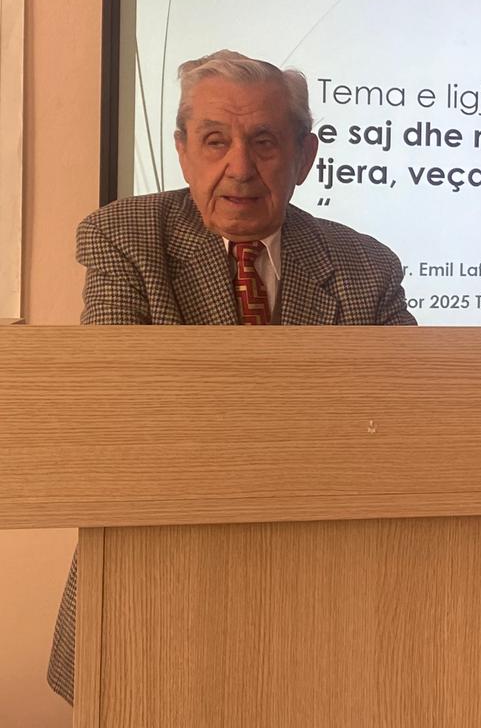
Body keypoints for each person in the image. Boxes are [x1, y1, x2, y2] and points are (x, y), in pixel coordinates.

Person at [47, 49, 416, 704]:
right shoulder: (126, 237)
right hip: (156, 581)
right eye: (216, 141)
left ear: (304, 156)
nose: (240, 168)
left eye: (264, 142)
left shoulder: (366, 266)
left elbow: (406, 425)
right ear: (184, 151)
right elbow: (119, 412)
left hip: (321, 587)